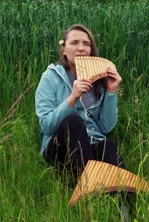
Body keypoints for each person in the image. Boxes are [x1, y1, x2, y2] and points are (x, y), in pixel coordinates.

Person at [35, 24, 124, 178]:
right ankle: (87, 185)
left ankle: (124, 198)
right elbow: (46, 126)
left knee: (107, 145)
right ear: (63, 49)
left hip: (92, 144)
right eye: (74, 43)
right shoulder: (50, 77)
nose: (81, 48)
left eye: (86, 44)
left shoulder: (98, 80)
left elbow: (105, 127)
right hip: (58, 148)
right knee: (73, 121)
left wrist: (110, 91)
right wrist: (72, 98)